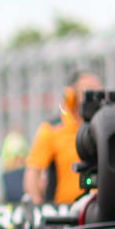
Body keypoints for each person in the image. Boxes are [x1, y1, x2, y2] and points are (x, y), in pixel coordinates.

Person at [25, 70, 102, 204]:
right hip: (64, 212)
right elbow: (33, 173)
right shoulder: (53, 129)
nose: (94, 98)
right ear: (71, 95)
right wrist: (39, 208)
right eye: (88, 91)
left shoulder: (105, 127)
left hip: (101, 209)